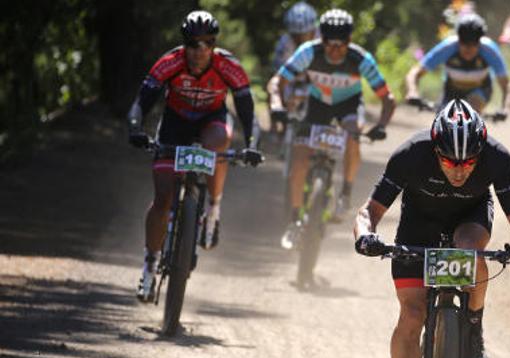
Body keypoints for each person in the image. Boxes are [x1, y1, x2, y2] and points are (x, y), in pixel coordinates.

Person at [353, 99, 510, 358]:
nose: (459, 171)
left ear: (480, 152)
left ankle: (473, 325)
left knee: (469, 250)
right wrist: (366, 236)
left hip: (469, 218)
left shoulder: (497, 158)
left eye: (469, 163)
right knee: (412, 315)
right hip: (418, 225)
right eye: (450, 162)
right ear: (435, 149)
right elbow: (369, 211)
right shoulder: (411, 153)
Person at [127, 10, 262, 303]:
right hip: (175, 125)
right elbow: (142, 101)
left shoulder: (229, 66)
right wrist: (135, 129)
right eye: (192, 43)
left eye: (207, 43)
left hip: (210, 121)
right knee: (162, 199)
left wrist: (252, 144)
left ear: (214, 44)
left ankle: (212, 210)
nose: (199, 50)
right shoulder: (170, 63)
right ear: (184, 43)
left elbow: (248, 112)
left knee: (220, 142)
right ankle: (149, 265)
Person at [268, 8, 396, 249]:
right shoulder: (308, 52)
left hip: (348, 106)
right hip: (318, 106)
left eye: (342, 43)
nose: (335, 49)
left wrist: (380, 126)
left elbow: (388, 98)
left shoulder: (360, 59)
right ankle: (294, 220)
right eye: (329, 42)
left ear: (350, 40)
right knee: (299, 159)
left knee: (352, 134)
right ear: (321, 38)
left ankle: (345, 193)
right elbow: (277, 81)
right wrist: (276, 105)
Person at [406, 13, 510, 115]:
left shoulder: (489, 50)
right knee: (443, 123)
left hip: (480, 91)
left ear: (480, 41)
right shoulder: (448, 47)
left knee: (471, 109)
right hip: (452, 91)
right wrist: (412, 92)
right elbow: (415, 72)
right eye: (464, 42)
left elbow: (506, 84)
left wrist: (506, 109)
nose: (468, 48)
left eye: (473, 43)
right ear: (458, 39)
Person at [269, 2, 319, 134]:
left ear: (313, 30)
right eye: (296, 35)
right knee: (274, 87)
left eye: (304, 34)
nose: (300, 39)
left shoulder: (322, 40)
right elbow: (278, 74)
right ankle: (278, 126)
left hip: (315, 78)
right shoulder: (284, 43)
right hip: (291, 78)